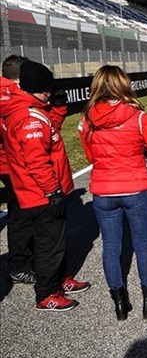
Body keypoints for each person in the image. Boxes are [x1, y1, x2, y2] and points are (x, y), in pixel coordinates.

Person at [79, 66, 147, 320]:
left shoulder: (87, 119)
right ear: (123, 85)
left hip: (103, 190)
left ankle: (120, 302)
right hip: (135, 187)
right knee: (142, 244)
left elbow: (89, 156)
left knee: (111, 247)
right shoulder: (138, 116)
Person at [3, 61, 89, 311]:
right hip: (40, 193)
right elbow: (37, 161)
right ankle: (47, 293)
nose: (50, 93)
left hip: (38, 189)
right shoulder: (28, 118)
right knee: (48, 244)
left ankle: (60, 279)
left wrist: (57, 109)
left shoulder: (29, 110)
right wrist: (52, 190)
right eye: (47, 89)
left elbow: (49, 131)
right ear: (37, 89)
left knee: (56, 240)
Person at [1, 55, 36, 285]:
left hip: (10, 162)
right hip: (11, 163)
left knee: (21, 212)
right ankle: (18, 265)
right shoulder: (11, 96)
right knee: (22, 214)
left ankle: (24, 259)